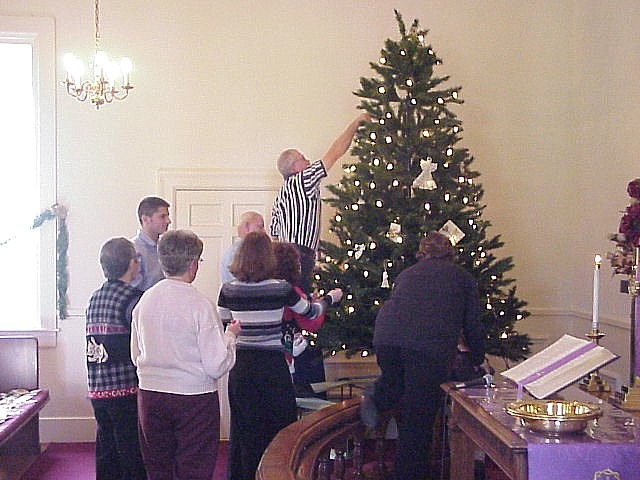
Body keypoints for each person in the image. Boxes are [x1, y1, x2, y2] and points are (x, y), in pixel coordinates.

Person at [217, 232, 343, 480]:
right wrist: (330, 298)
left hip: (242, 367)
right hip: (272, 366)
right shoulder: (281, 289)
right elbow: (310, 312)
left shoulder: (228, 290)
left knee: (246, 432)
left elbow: (225, 326)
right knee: (279, 430)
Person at [361, 231, 485, 480]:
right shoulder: (462, 277)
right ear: (450, 253)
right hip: (428, 349)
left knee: (396, 382)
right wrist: (476, 358)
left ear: (422, 252)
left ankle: (377, 395)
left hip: (387, 340)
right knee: (418, 420)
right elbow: (472, 325)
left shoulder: (407, 274)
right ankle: (408, 475)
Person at [131, 229, 241, 480]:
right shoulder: (200, 305)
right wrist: (231, 336)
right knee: (193, 469)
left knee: (158, 468)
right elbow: (216, 365)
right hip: (193, 398)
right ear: (192, 264)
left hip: (150, 394)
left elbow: (135, 355)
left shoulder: (145, 301)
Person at [270, 112, 370, 294]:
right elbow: (335, 153)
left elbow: (274, 234)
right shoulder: (303, 180)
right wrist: (356, 123)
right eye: (303, 158)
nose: (308, 161)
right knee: (301, 300)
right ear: (294, 167)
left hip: (283, 258)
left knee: (290, 299)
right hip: (300, 255)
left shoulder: (282, 194)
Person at [85, 237, 146, 480]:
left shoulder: (94, 297)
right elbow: (142, 342)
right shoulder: (133, 299)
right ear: (131, 264)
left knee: (106, 446)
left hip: (97, 387)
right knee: (131, 450)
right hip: (125, 387)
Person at [273, 242, 326, 382]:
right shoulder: (291, 292)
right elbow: (311, 323)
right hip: (291, 354)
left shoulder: (267, 289)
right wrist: (324, 303)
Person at [131, 196, 171, 291]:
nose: (168, 221)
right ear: (145, 219)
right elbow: (133, 289)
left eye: (167, 216)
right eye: (162, 216)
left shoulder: (165, 248)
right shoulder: (133, 250)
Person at [219, 211, 265, 285]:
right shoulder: (241, 253)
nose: (264, 232)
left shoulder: (231, 251)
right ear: (247, 227)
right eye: (260, 227)